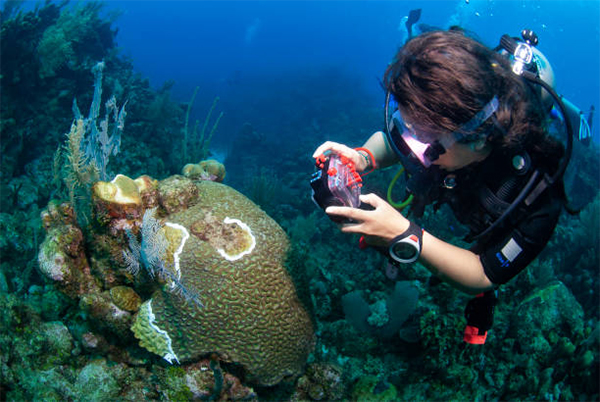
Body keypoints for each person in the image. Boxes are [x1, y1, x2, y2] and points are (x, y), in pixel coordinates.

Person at [312, 29, 572, 343]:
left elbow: (482, 275)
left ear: (478, 138)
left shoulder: (535, 194)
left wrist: (405, 234)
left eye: (423, 137)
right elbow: (393, 144)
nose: (410, 146)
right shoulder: (448, 126)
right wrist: (363, 158)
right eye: (406, 125)